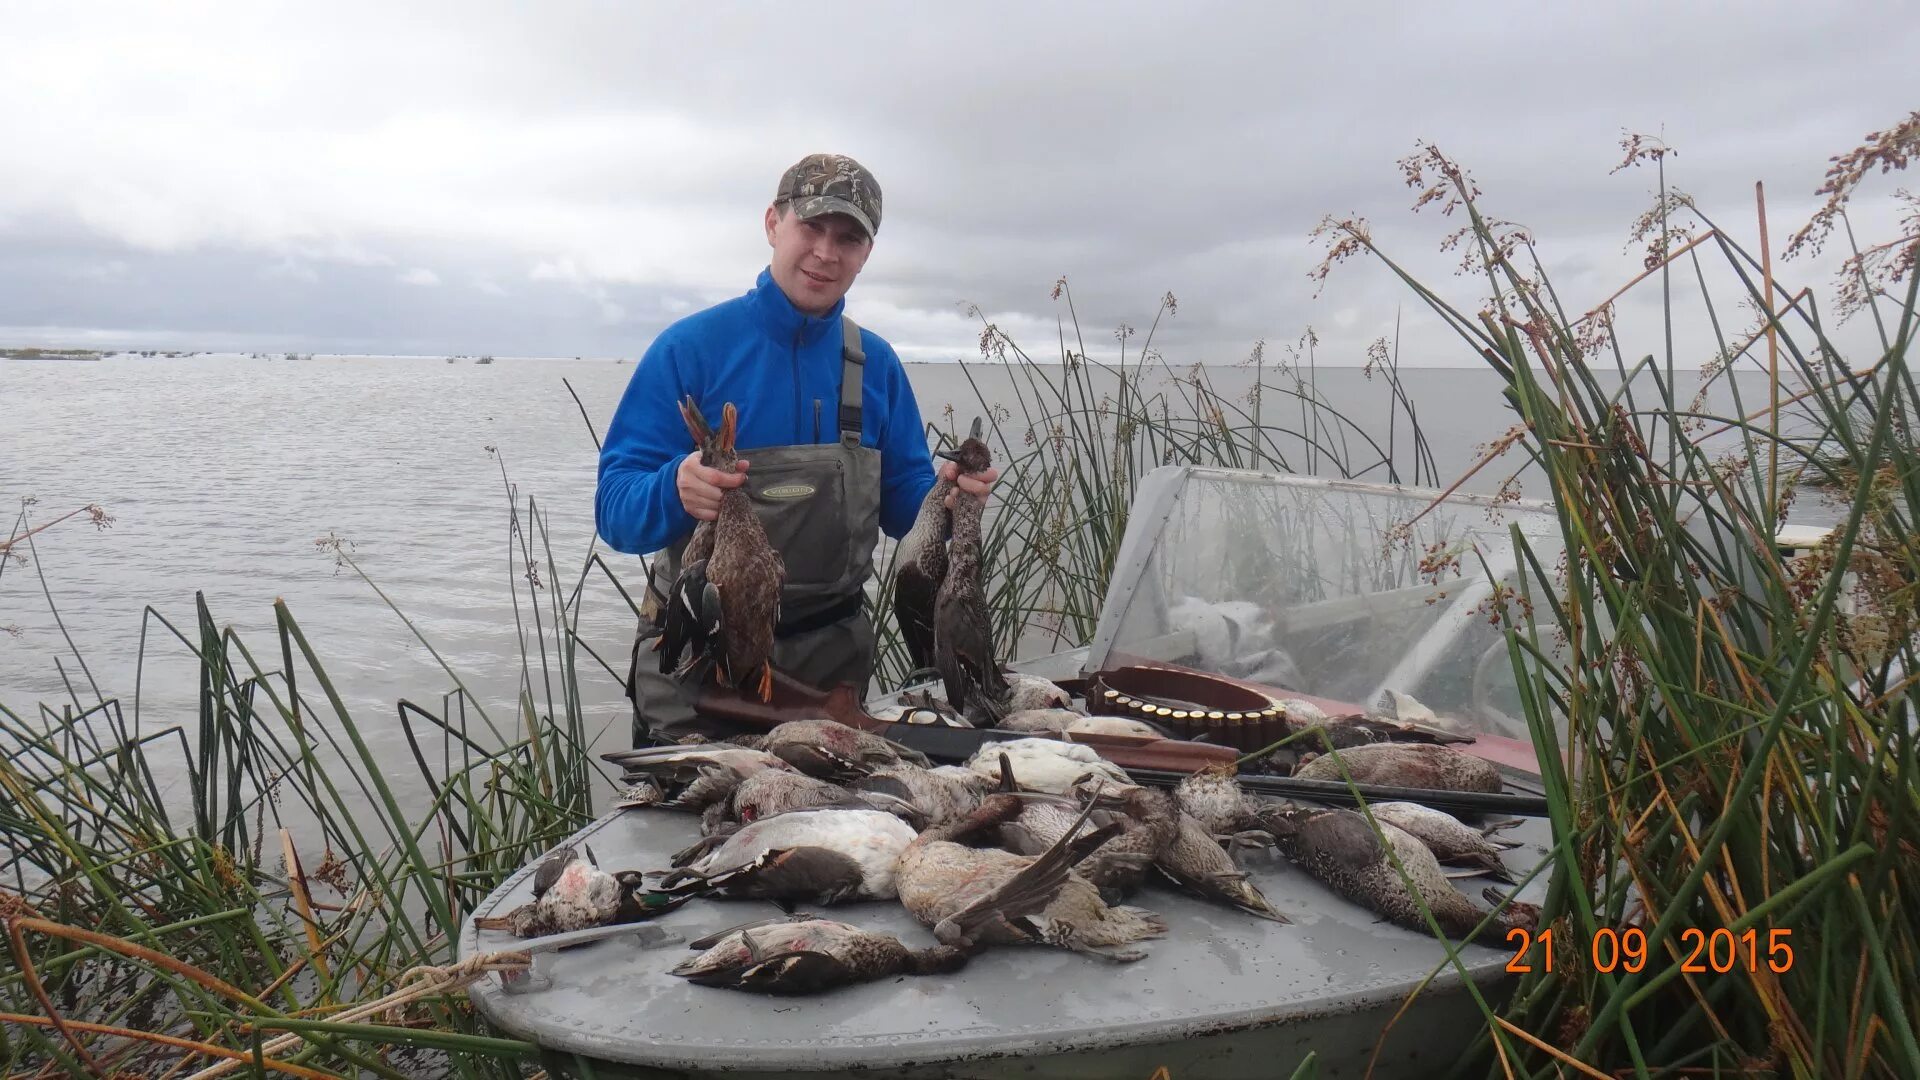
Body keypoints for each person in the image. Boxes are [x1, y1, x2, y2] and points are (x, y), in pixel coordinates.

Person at [596, 153, 997, 746]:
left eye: (848, 238)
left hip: (832, 677)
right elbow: (615, 512)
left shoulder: (878, 366)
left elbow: (901, 510)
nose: (826, 253)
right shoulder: (690, 350)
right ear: (772, 224)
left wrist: (947, 496)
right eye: (811, 227)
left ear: (867, 253)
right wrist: (673, 486)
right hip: (700, 668)